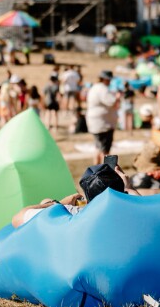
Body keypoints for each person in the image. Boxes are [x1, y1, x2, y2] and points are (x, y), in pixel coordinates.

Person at [11, 163, 139, 228]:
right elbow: (146, 208)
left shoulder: (75, 214)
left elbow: (17, 219)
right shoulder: (132, 212)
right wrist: (130, 188)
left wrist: (58, 203)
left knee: (46, 200)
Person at [85, 70, 119, 165]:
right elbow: (111, 102)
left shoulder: (94, 87)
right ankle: (105, 170)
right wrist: (117, 97)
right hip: (103, 123)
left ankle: (96, 169)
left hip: (96, 122)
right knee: (105, 151)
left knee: (98, 148)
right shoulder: (103, 89)